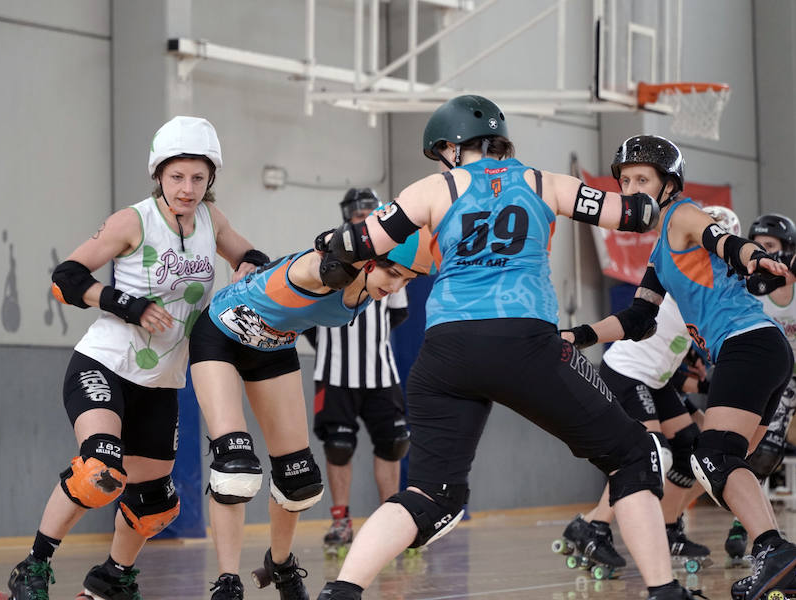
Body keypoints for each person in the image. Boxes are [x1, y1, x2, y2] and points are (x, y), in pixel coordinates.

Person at [313, 95, 698, 600]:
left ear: (452, 147)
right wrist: (661, 199)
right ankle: (664, 592)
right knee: (634, 457)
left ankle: (341, 592)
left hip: (446, 349)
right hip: (524, 341)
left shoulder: (433, 188)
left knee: (430, 493)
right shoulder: (543, 182)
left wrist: (327, 245)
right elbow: (634, 215)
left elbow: (355, 245)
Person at [0, 115, 264, 600]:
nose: (187, 188)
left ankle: (113, 577)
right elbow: (66, 277)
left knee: (156, 504)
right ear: (159, 174)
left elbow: (251, 259)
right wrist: (128, 304)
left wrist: (255, 272)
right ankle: (33, 566)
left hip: (161, 381)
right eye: (177, 176)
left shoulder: (211, 221)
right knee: (100, 469)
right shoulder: (132, 221)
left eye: (198, 178)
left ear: (211, 180)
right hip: (104, 365)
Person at [562, 135, 795, 600]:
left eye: (641, 179)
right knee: (726, 461)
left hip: (746, 344)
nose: (630, 189)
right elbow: (636, 320)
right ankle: (776, 560)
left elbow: (728, 243)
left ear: (668, 183)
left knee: (714, 457)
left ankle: (774, 552)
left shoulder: (683, 215)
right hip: (759, 350)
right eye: (624, 181)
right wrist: (577, 336)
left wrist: (757, 258)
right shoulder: (658, 254)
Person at [189, 227, 434, 600]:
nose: (397, 287)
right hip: (221, 335)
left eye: (407, 279)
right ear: (367, 261)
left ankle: (281, 565)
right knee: (235, 469)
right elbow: (320, 261)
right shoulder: (330, 271)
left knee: (298, 479)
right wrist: (331, 249)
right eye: (393, 274)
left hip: (273, 346)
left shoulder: (373, 282)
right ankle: (227, 582)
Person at [556, 206, 739, 578]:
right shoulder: (687, 277)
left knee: (691, 449)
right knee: (653, 454)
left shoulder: (703, 280)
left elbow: (675, 358)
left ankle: (669, 526)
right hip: (627, 372)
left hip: (654, 379)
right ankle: (592, 524)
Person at [305, 188, 412, 557]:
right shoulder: (330, 253)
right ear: (346, 215)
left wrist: (368, 341)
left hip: (380, 372)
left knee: (394, 443)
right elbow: (304, 308)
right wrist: (334, 344)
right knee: (337, 447)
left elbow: (397, 310)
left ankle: (391, 523)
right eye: (358, 211)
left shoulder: (393, 255)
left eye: (370, 210)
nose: (363, 215)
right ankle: (340, 521)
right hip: (334, 374)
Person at [721, 213, 796, 564]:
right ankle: (745, 522)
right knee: (762, 451)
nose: (765, 253)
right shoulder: (748, 285)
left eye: (772, 247)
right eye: (759, 247)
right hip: (767, 373)